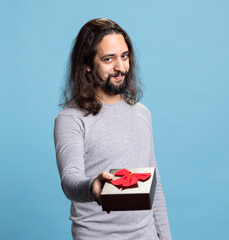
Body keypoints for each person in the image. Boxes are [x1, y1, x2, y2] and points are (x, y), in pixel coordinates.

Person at [54, 18, 172, 240]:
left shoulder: (142, 113)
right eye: (109, 59)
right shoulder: (70, 119)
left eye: (124, 56)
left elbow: (155, 189)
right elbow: (70, 181)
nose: (121, 67)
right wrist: (92, 186)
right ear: (88, 64)